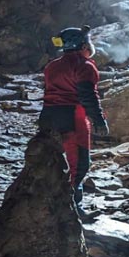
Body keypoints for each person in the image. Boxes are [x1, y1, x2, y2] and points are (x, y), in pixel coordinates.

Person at [38, 25, 110, 214]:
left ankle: (49, 203)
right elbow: (88, 96)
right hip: (72, 118)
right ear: (83, 45)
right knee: (78, 165)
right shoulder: (85, 66)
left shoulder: (51, 66)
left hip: (48, 116)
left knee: (51, 160)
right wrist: (99, 120)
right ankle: (73, 209)